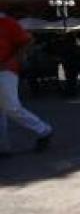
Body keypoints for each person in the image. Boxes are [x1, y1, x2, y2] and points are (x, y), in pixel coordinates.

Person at [0, 12, 53, 155]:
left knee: (11, 107)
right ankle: (3, 147)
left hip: (6, 69)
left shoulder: (7, 22)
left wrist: (14, 60)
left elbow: (28, 41)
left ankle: (43, 130)